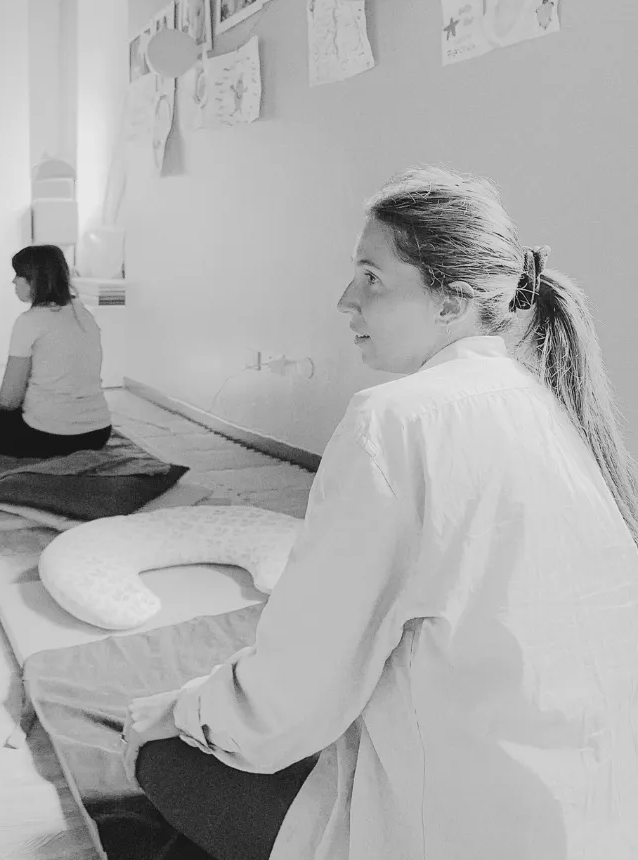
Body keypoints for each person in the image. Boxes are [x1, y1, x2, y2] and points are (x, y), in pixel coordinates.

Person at [123, 167, 638, 860]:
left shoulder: (395, 420)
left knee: (159, 753)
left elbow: (286, 705)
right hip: (597, 820)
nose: (346, 299)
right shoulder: (552, 405)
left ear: (451, 300)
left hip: (458, 833)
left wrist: (181, 710)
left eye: (372, 277)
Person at [0, 245, 111, 457]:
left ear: (34, 280)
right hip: (98, 433)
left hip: (46, 435)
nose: (14, 281)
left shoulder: (29, 321)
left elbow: (8, 402)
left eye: (19, 275)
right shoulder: (85, 315)